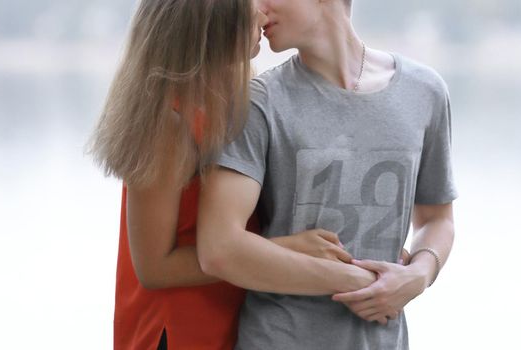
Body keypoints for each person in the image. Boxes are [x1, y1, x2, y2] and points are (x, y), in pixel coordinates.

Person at [88, 1, 357, 349]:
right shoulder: (167, 122)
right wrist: (281, 250)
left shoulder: (237, 94)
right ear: (213, 24)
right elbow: (153, 268)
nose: (262, 13)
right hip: (176, 333)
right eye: (250, 6)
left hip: (234, 322)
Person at [197, 0, 458, 349]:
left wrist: (419, 275)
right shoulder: (259, 102)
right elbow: (219, 248)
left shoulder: (425, 92)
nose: (256, 8)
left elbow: (436, 218)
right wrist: (356, 280)